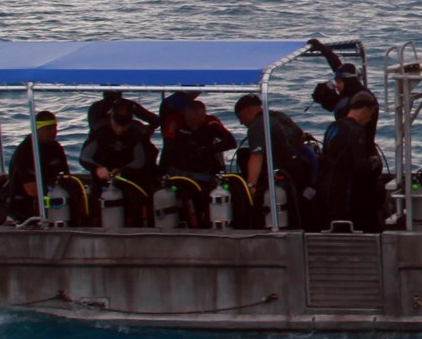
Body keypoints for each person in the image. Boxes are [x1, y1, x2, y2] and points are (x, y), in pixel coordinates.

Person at [236, 91, 316, 225]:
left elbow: (257, 157)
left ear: (249, 110)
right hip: (297, 175)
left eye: (241, 118)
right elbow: (301, 136)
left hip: (275, 181)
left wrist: (250, 186)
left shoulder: (256, 127)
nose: (242, 123)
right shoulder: (280, 116)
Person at [160, 93, 239, 224]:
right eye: (191, 123)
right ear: (185, 115)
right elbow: (167, 147)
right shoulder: (174, 120)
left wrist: (206, 150)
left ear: (204, 117)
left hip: (204, 173)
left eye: (198, 123)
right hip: (180, 173)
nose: (194, 127)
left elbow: (231, 142)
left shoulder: (211, 121)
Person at [319, 89, 388, 234]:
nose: (370, 119)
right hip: (345, 194)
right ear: (364, 110)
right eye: (370, 114)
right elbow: (360, 167)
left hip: (326, 192)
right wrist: (374, 162)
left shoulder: (333, 127)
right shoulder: (356, 130)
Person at [81, 96, 159, 219]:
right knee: (95, 200)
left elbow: (141, 161)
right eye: (116, 125)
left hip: (131, 180)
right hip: (105, 178)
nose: (119, 130)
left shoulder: (137, 132)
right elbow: (84, 156)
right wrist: (97, 169)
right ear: (111, 117)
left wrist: (123, 171)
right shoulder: (100, 130)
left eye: (124, 126)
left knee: (135, 200)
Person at [7, 110, 71, 221]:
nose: (53, 132)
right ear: (37, 129)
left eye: (54, 128)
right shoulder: (25, 151)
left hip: (54, 199)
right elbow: (32, 191)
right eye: (48, 129)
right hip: (26, 207)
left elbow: (67, 175)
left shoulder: (55, 148)